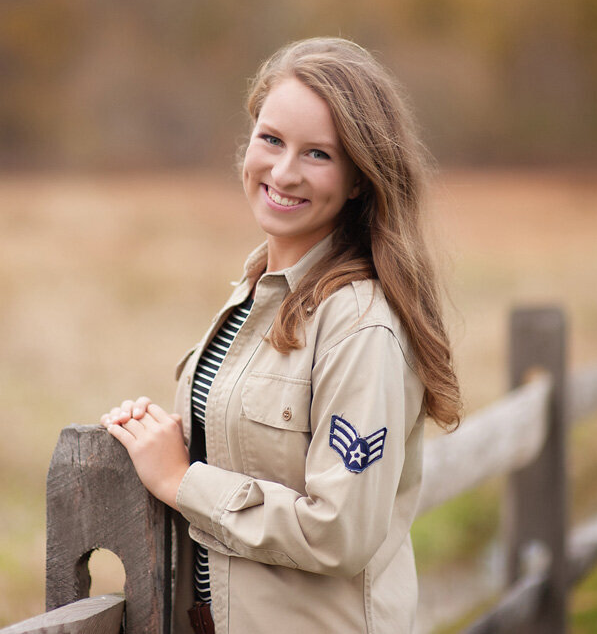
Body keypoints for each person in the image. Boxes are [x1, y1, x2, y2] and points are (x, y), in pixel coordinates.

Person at [100, 37, 460, 633]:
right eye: (271, 140)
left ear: (358, 179)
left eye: (317, 154)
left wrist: (181, 480)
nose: (283, 172)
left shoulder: (360, 324)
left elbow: (339, 533)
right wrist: (158, 439)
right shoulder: (256, 292)